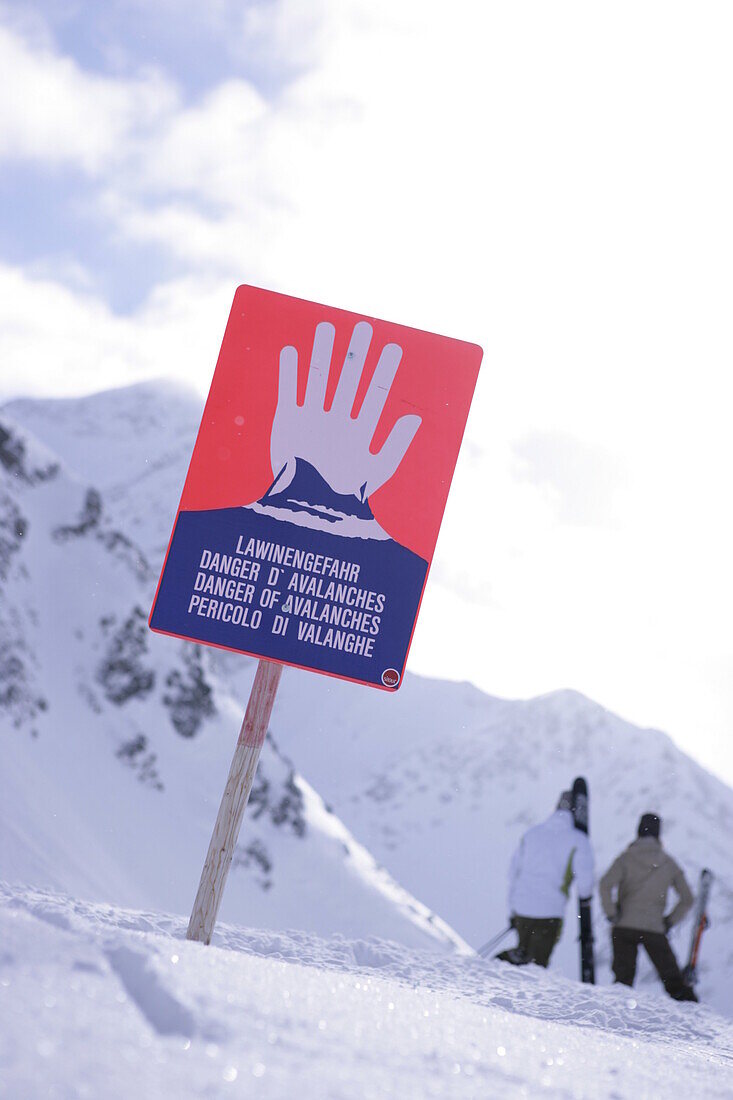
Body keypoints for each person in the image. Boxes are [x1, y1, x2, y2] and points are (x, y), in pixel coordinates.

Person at [600, 813, 697, 1002]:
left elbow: (605, 884)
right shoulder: (668, 863)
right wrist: (669, 921)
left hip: (624, 926)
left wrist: (612, 913)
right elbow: (688, 898)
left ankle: (616, 1016)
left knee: (623, 981)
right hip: (654, 928)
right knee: (673, 981)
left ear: (638, 831)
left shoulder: (626, 858)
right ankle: (693, 1013)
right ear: (658, 834)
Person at [498, 790, 594, 968]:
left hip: (522, 908)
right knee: (537, 964)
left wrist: (513, 910)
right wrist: (586, 901)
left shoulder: (532, 834)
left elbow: (513, 873)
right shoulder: (578, 840)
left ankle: (504, 968)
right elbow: (585, 883)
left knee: (523, 954)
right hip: (550, 911)